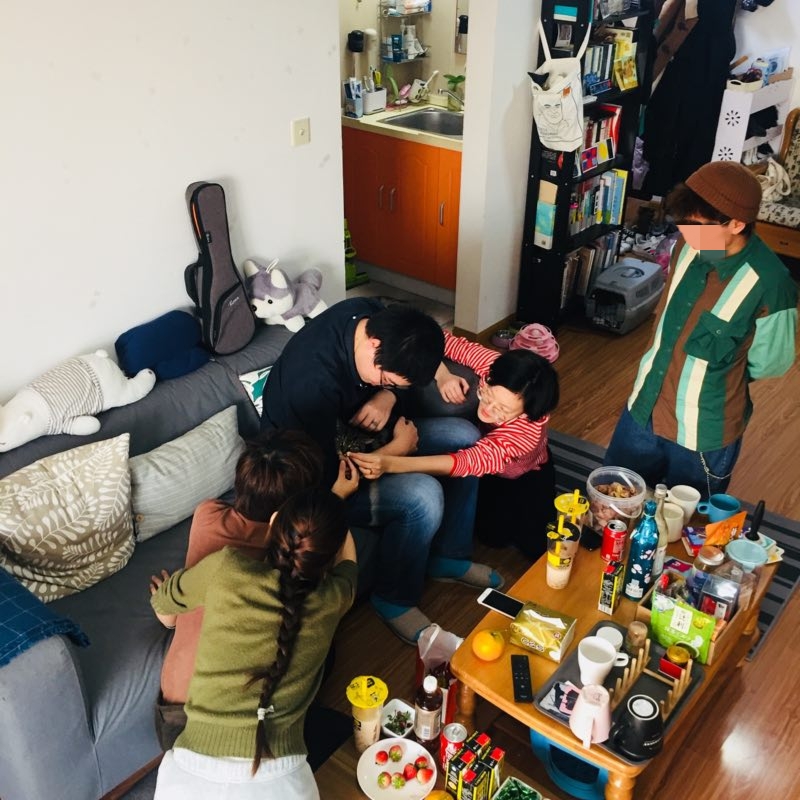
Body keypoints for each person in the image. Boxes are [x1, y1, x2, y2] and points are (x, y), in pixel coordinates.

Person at [260, 298, 501, 645]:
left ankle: (449, 555)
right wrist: (396, 451)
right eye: (388, 379)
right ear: (374, 346)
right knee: (423, 497)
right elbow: (329, 481)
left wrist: (387, 395)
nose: (392, 384)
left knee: (465, 438)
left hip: (361, 436)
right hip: (318, 481)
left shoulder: (371, 314)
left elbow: (407, 368)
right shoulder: (310, 385)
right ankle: (394, 598)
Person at [605, 160, 797, 496]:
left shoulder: (772, 283)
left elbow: (771, 363)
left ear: (736, 223)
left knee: (686, 522)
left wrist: (720, 371)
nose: (686, 235)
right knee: (612, 502)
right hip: (643, 407)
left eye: (698, 227)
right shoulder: (685, 248)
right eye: (683, 224)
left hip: (704, 433)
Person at [150, 488, 357, 800]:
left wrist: (165, 594)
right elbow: (349, 563)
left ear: (273, 523)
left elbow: (164, 601)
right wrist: (333, 510)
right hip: (287, 784)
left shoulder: (226, 568)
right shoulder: (335, 598)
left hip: (187, 775)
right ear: (329, 555)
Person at [157, 430, 357, 738]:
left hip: (170, 716)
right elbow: (342, 574)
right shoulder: (284, 557)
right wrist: (331, 504)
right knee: (318, 638)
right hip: (223, 726)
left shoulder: (207, 513)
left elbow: (168, 614)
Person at [349, 330, 560, 560]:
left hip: (521, 475)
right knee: (489, 533)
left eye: (502, 410)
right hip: (485, 453)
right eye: (488, 395)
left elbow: (466, 462)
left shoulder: (525, 434)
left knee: (530, 543)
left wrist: (390, 463)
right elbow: (434, 338)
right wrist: (442, 375)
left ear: (525, 414)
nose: (488, 410)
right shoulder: (493, 365)